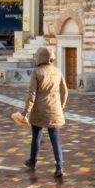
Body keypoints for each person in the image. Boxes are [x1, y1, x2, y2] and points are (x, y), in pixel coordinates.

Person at [21, 47, 68, 178]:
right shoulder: (58, 71)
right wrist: (61, 106)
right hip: (55, 110)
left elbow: (32, 95)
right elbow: (65, 91)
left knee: (36, 137)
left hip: (39, 111)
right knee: (56, 140)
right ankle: (59, 166)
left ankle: (33, 161)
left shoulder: (36, 72)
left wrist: (25, 112)